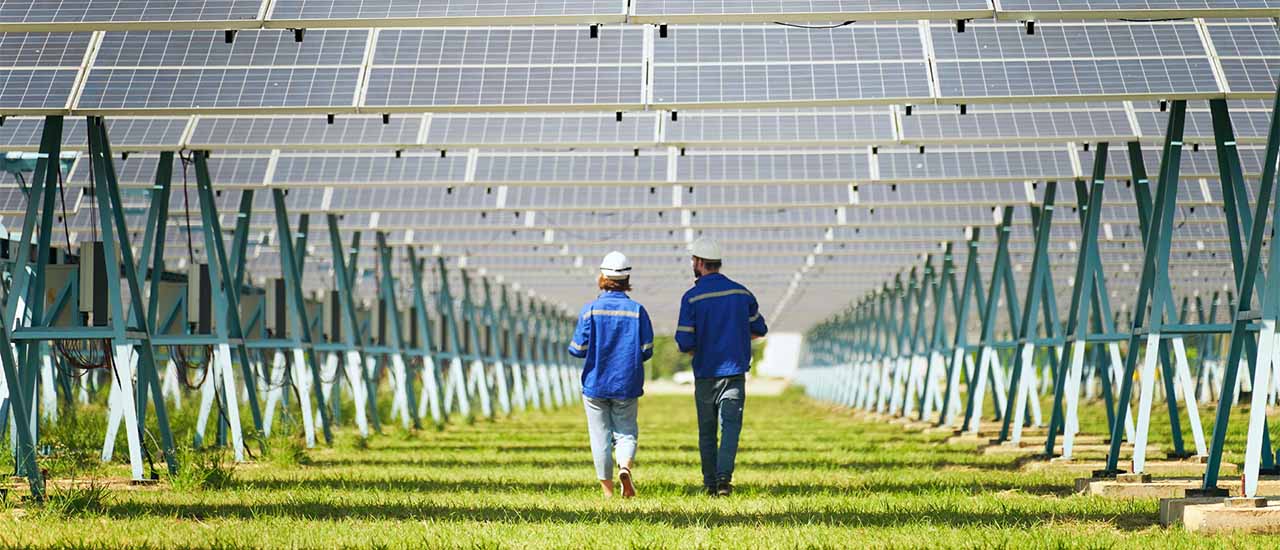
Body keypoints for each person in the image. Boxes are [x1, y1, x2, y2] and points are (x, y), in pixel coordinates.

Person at [675, 237, 768, 497]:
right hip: (735, 373)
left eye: (694, 260)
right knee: (730, 428)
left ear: (700, 262)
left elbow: (684, 341)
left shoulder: (692, 298)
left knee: (707, 431)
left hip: (706, 374)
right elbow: (759, 328)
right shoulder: (742, 293)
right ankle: (725, 479)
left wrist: (700, 345)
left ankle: (710, 483)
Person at [568, 251, 654, 498]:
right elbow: (647, 351)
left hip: (595, 383)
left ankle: (607, 492)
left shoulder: (590, 310)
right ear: (627, 279)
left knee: (600, 436)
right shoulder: (638, 311)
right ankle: (624, 467)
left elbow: (577, 349)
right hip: (626, 383)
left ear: (602, 276)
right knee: (626, 431)